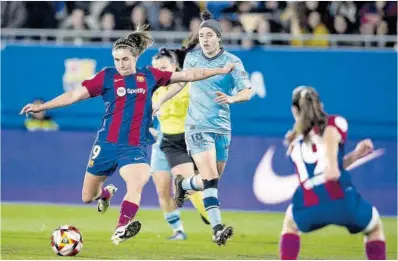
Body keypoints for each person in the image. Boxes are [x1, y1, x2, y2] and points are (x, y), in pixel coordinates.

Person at [20, 24, 235, 246]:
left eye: (125, 59)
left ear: (135, 58)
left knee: (137, 183)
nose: (121, 64)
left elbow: (189, 74)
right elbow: (74, 95)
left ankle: (120, 227)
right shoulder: (106, 77)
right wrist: (43, 106)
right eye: (117, 60)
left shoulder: (150, 76)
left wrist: (218, 70)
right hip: (106, 145)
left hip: (134, 148)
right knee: (87, 197)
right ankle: (104, 195)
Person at [152, 11, 252, 246]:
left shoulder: (233, 62)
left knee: (210, 178)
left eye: (209, 35)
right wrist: (161, 101)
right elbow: (181, 83)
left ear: (219, 37)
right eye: (202, 35)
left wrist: (232, 99)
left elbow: (247, 91)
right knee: (209, 178)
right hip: (196, 128)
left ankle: (184, 184)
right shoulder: (192, 59)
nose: (205, 39)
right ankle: (217, 228)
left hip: (222, 129)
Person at [280, 86, 386, 260]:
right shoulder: (335, 123)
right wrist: (332, 164)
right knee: (374, 227)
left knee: (290, 222)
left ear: (294, 110)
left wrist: (356, 155)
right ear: (320, 105)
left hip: (308, 201)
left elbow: (321, 169)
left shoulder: (293, 142)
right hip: (339, 197)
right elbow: (330, 165)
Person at [150, 44, 211, 241]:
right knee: (162, 191)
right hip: (161, 144)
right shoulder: (152, 90)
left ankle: (210, 216)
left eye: (164, 66)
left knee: (189, 186)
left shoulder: (187, 84)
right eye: (157, 67)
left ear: (175, 66)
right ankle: (178, 230)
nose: (160, 71)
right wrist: (147, 129)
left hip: (182, 143)